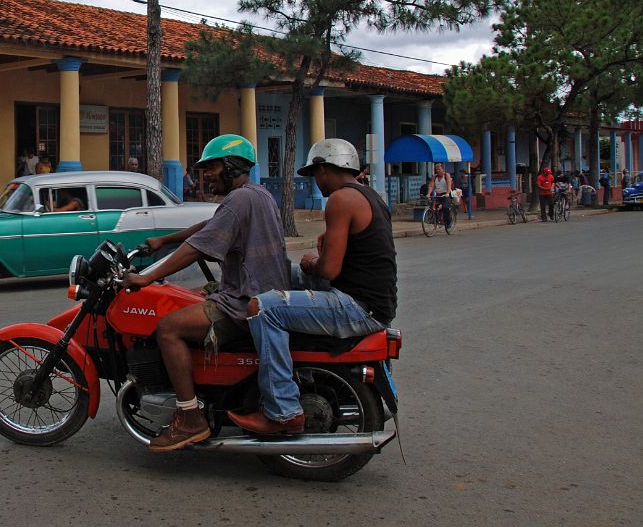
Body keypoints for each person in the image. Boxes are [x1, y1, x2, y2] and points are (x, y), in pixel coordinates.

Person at [122, 134, 288, 451]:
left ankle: (189, 418)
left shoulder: (239, 200)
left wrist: (148, 277)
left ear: (230, 165)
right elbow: (209, 226)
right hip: (258, 293)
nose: (206, 175)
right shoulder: (256, 194)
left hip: (245, 302)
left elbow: (197, 248)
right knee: (190, 296)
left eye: (210, 167)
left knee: (168, 328)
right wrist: (164, 240)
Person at [228, 138, 396, 435]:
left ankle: (282, 412)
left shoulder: (340, 200)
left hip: (357, 307)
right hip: (374, 301)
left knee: (263, 308)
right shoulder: (370, 195)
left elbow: (328, 269)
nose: (316, 182)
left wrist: (311, 264)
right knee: (282, 275)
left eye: (315, 174)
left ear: (323, 168)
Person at [425, 163, 453, 229]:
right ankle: (437, 220)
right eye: (436, 169)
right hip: (439, 194)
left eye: (439, 169)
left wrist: (447, 193)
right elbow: (431, 186)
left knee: (445, 207)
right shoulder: (435, 177)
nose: (438, 171)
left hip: (446, 194)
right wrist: (428, 193)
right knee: (434, 208)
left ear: (443, 169)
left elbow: (449, 185)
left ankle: (449, 222)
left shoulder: (446, 175)